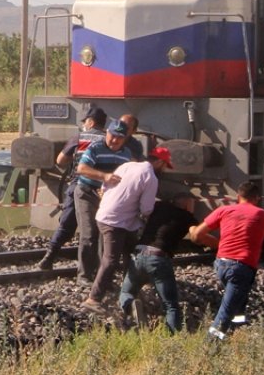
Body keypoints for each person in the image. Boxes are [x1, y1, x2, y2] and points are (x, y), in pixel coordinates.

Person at [81, 148, 170, 315]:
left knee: (132, 253)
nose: (164, 170)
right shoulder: (150, 177)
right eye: (165, 166)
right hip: (116, 221)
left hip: (108, 215)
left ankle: (130, 290)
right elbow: (146, 209)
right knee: (111, 260)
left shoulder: (127, 166)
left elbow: (105, 186)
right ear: (159, 162)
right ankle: (93, 299)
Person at [188, 181, 264, 340]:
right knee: (225, 312)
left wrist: (192, 229)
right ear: (257, 198)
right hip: (242, 267)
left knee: (238, 301)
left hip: (221, 264)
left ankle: (238, 331)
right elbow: (263, 235)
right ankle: (210, 346)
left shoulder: (224, 210)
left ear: (238, 196)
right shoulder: (263, 215)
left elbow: (197, 236)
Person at [37, 106, 107, 270]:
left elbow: (61, 160)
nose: (84, 124)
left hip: (80, 185)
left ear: (90, 122)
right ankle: (98, 266)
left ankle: (50, 256)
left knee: (67, 223)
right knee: (99, 229)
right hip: (102, 189)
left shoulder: (79, 137)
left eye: (85, 121)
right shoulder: (108, 139)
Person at [118, 190, 197, 333]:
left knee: (125, 292)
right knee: (170, 305)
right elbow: (196, 236)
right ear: (187, 206)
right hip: (158, 260)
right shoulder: (187, 218)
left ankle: (130, 305)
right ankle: (174, 335)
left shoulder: (159, 207)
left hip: (138, 255)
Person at [72, 119, 136, 283]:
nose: (115, 140)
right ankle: (84, 275)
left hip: (107, 199)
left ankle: (102, 275)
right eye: (112, 136)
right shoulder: (95, 148)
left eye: (119, 138)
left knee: (105, 236)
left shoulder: (126, 154)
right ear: (107, 133)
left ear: (125, 138)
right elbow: (81, 169)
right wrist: (104, 176)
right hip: (87, 193)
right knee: (89, 234)